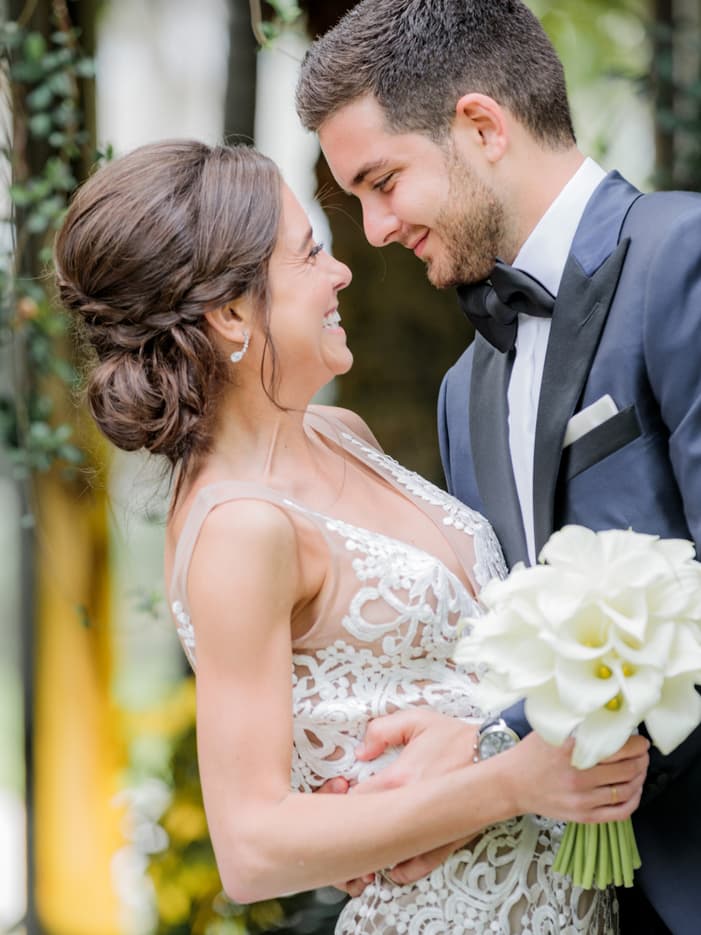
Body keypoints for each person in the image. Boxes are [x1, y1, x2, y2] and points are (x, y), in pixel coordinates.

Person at [53, 140, 648, 934]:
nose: (340, 272)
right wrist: (511, 782)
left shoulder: (342, 433)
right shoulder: (240, 529)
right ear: (231, 312)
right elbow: (252, 847)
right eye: (308, 254)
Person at [295, 2, 701, 933]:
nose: (374, 229)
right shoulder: (462, 392)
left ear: (481, 125)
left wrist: (491, 741)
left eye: (382, 181)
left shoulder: (682, 258)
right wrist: (409, 796)